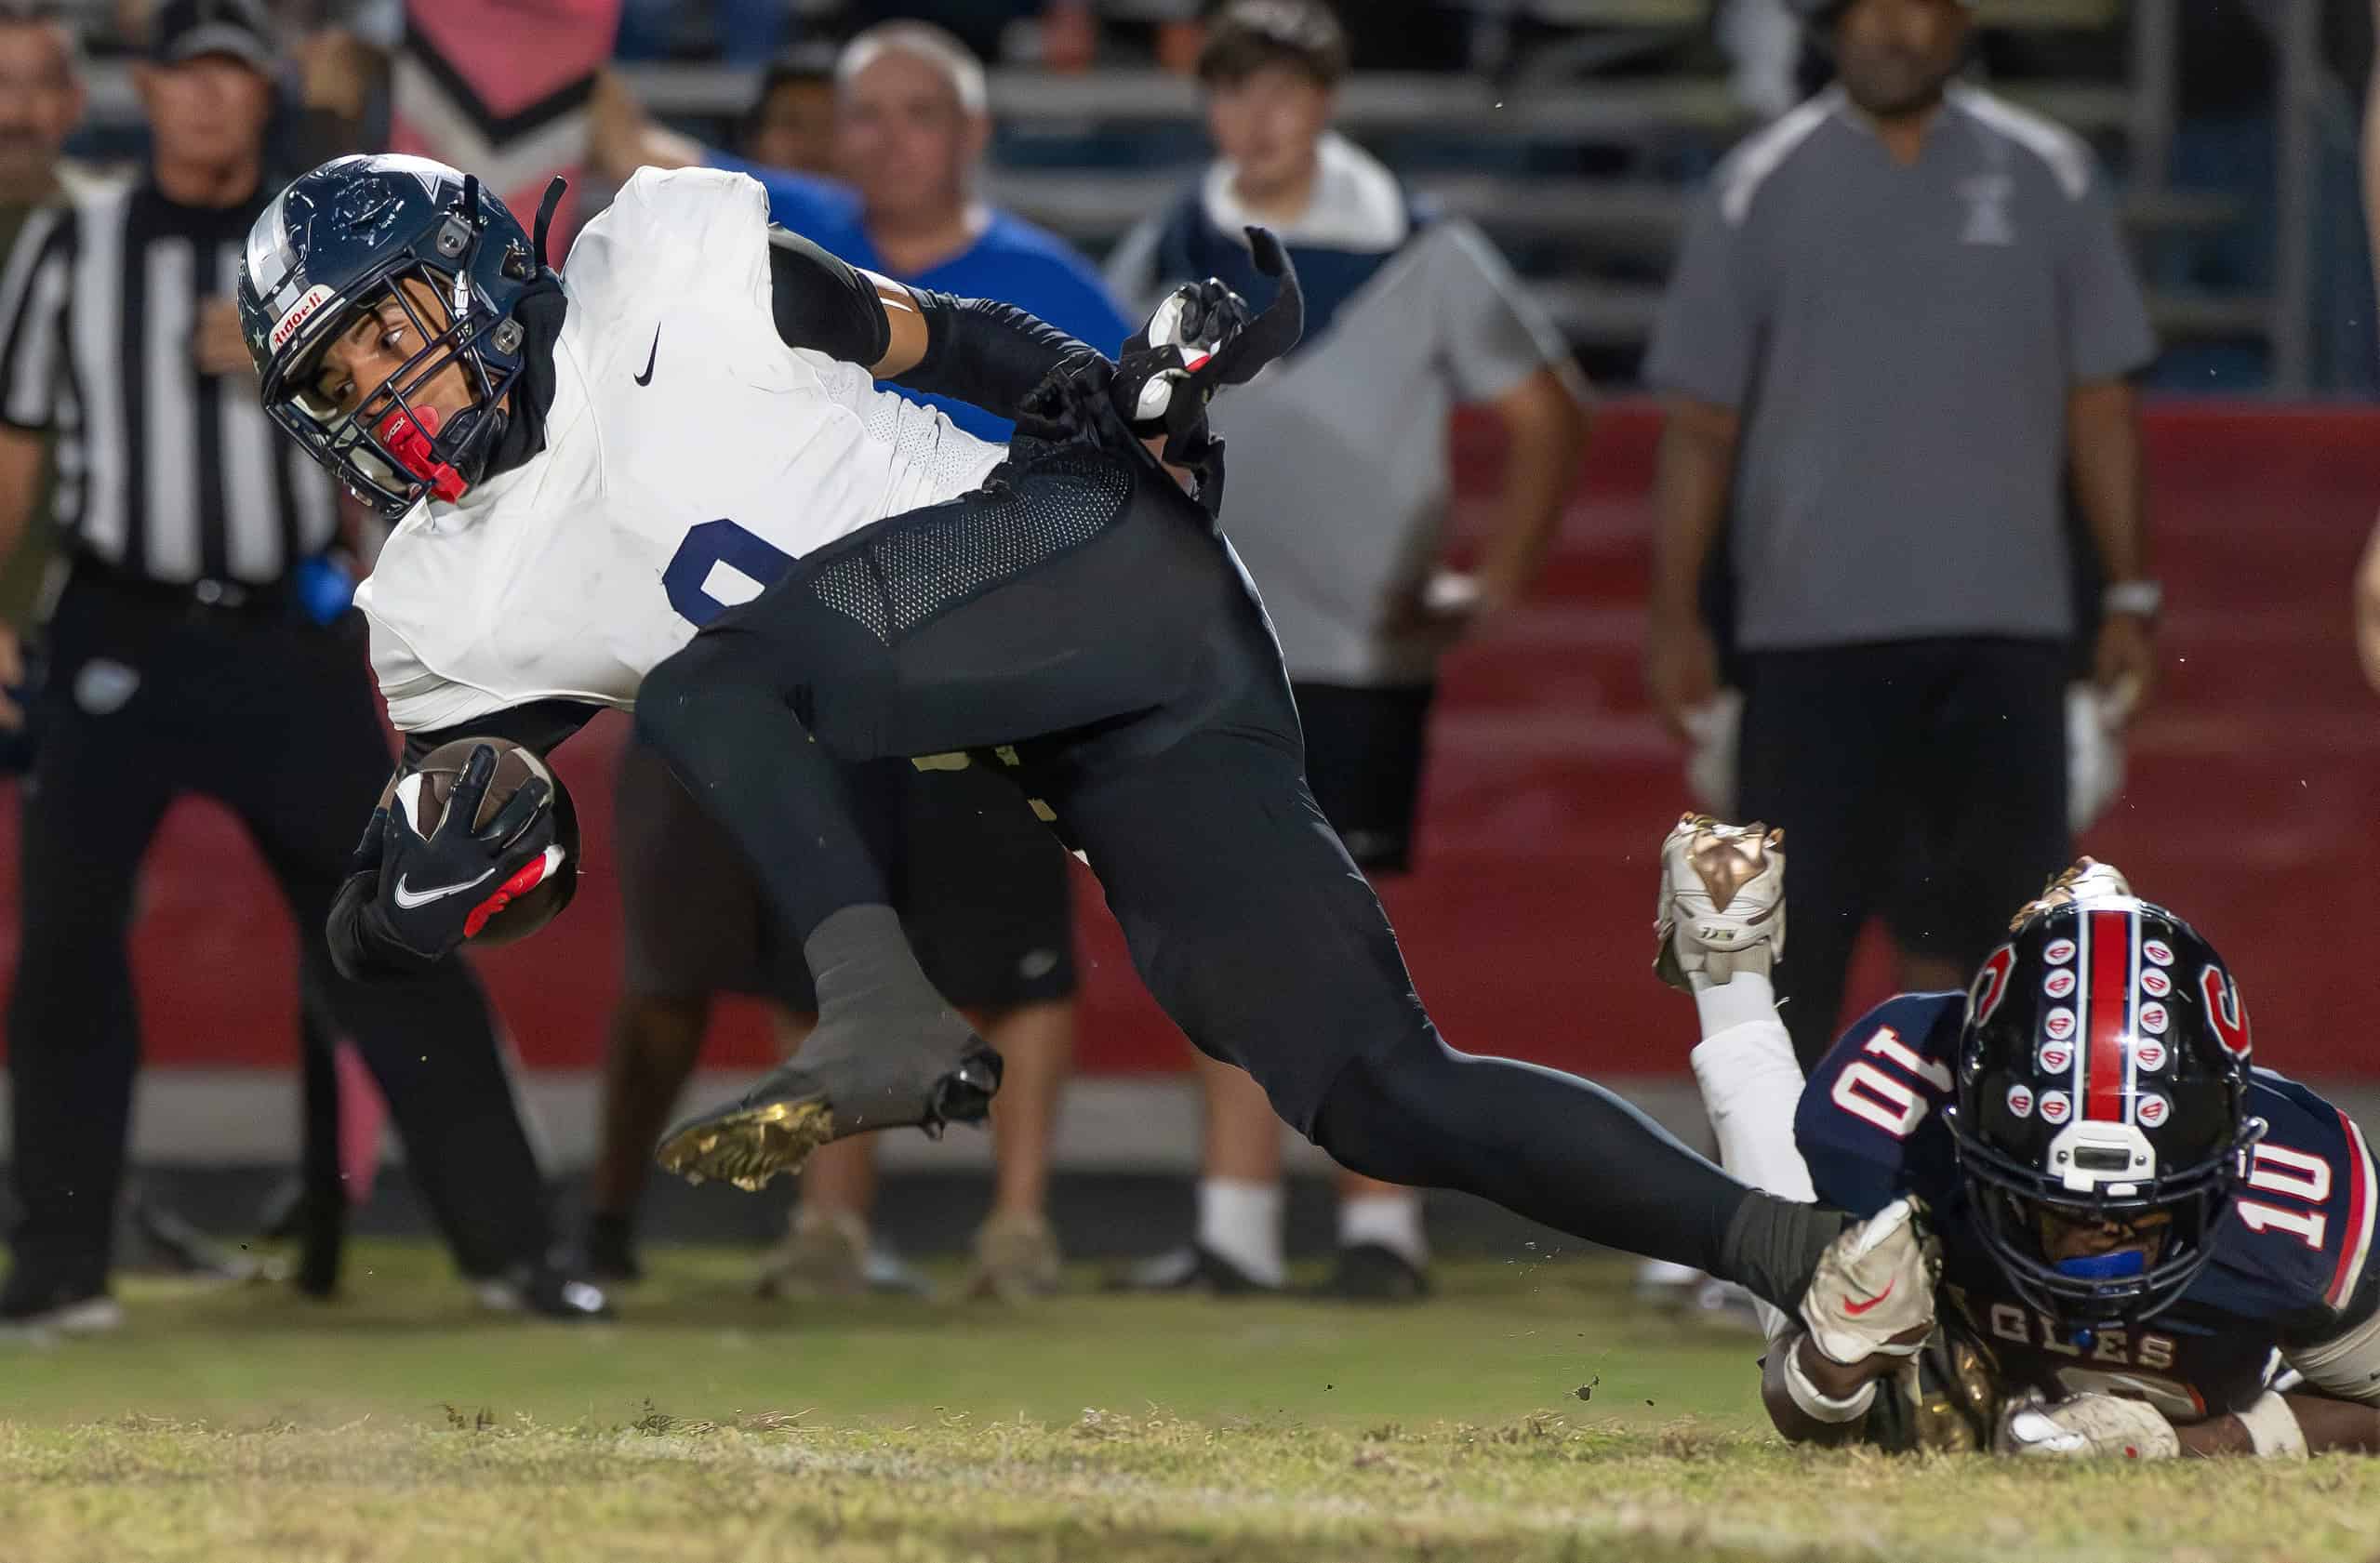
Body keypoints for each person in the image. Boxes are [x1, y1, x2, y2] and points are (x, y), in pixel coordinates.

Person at [235, 149, 1872, 1328]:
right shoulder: (442, 603)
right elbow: (437, 863)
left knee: (711, 689)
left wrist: (1121, 395)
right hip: (1090, 720)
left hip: (1079, 554)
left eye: (387, 326)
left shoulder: (659, 266)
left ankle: (874, 1015)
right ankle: (1812, 1260)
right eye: (341, 374)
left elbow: (934, 336)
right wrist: (418, 902)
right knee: (1370, 1092)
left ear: (470, 268)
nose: (385, 385)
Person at [0, 0, 602, 1334]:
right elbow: (20, 446)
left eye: (229, 79)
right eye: (183, 78)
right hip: (117, 625)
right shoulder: (74, 247)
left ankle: (517, 1250)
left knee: (398, 930)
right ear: (146, 91)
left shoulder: (326, 244)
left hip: (292, 624)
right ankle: (53, 1271)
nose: (206, 104)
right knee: (66, 955)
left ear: (257, 91)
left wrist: (306, 375)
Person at [578, 21, 1132, 1301]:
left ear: (973, 132)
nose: (887, 138)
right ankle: (827, 1222)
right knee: (816, 934)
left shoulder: (1045, 282)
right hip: (822, 667)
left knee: (1019, 943)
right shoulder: (796, 245)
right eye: (863, 113)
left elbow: (1131, 457)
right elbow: (638, 157)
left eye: (917, 113)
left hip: (994, 655)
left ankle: (1017, 1223)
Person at [1104, 0, 1590, 1302]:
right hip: (1205, 634)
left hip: (1360, 645)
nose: (1252, 118)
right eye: (1229, 91)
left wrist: (1491, 579)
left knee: (1357, 934)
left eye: (1277, 90)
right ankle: (1235, 1226)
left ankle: (1382, 1226)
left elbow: (1547, 413)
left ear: (1324, 99)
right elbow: (1103, 406)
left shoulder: (1419, 250)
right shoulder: (1169, 238)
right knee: (1216, 917)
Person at [1642, 0, 2161, 1072]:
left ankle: (1986, 1211)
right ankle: (1764, 1214)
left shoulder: (2050, 174)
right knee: (1781, 962)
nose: (1898, 31)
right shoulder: (1759, 186)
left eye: (1922, 6)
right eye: (1873, 7)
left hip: (2005, 630)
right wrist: (1674, 614)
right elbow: (1699, 426)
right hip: (1806, 638)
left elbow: (2101, 403)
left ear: (1962, 20)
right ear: (1829, 24)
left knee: (2008, 962)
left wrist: (2128, 593)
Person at [1659, 815, 2380, 1456]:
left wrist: (2188, 1443)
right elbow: (1807, 1416)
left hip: (2212, 1385)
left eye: (2137, 1208)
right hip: (1961, 1345)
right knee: (1891, 1406)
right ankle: (1728, 974)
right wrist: (1830, 1364)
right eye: (2061, 1207)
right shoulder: (1898, 1113)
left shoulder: (2304, 1204)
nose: (2098, 1236)